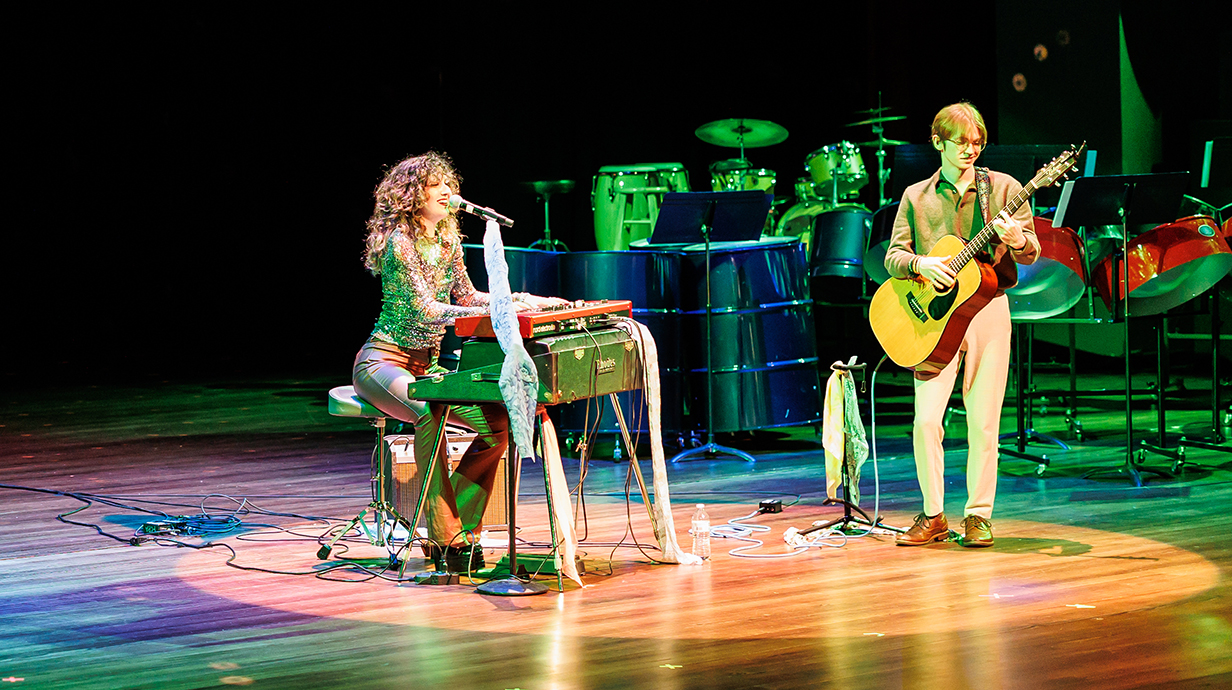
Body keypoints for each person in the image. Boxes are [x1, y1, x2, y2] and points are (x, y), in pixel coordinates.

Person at [352, 151, 566, 573]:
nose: (447, 191)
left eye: (448, 183)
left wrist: (524, 302)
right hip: (383, 362)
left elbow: (466, 298)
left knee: (499, 424)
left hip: (426, 365)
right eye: (436, 185)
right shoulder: (399, 242)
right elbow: (426, 309)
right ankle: (445, 537)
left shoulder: (448, 240)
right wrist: (497, 314)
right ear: (413, 195)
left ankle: (461, 531)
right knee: (430, 412)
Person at [883, 102, 1038, 548]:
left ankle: (978, 516)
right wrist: (921, 264)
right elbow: (893, 256)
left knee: (984, 421)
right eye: (961, 142)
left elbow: (1031, 252)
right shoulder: (915, 195)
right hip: (933, 319)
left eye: (977, 142)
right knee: (926, 420)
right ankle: (933, 515)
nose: (970, 150)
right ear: (938, 142)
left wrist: (1017, 239)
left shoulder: (1004, 188)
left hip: (988, 309)